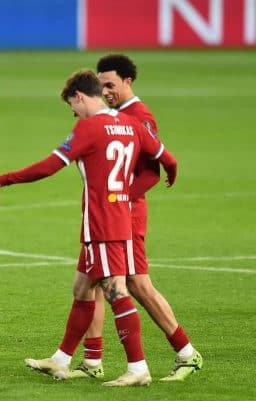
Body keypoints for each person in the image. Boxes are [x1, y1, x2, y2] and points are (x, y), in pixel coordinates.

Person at [0, 70, 178, 386]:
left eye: (72, 105)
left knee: (116, 291)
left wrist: (1, 179)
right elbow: (167, 158)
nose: (72, 112)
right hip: (115, 219)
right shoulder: (130, 124)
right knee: (82, 287)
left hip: (102, 224)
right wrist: (163, 176)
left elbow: (49, 166)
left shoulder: (89, 128)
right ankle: (61, 360)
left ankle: (138, 366)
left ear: (80, 97)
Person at [70, 54, 202, 382]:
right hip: (105, 215)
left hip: (124, 215)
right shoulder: (113, 115)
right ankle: (91, 360)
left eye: (111, 85)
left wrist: (118, 199)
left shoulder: (139, 116)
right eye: (101, 86)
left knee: (136, 284)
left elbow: (151, 173)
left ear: (129, 82)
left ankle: (186, 352)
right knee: (95, 280)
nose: (106, 91)